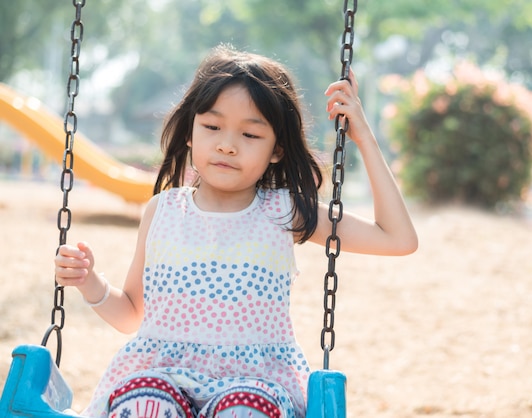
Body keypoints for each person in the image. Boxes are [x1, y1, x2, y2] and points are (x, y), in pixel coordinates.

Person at [54, 45, 418, 418]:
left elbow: (398, 238)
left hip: (253, 387)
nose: (227, 145)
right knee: (145, 402)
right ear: (191, 134)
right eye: (212, 127)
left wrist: (364, 138)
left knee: (244, 410)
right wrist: (90, 283)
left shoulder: (285, 211)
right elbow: (132, 314)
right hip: (162, 379)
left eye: (250, 135)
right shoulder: (162, 211)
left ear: (276, 150)